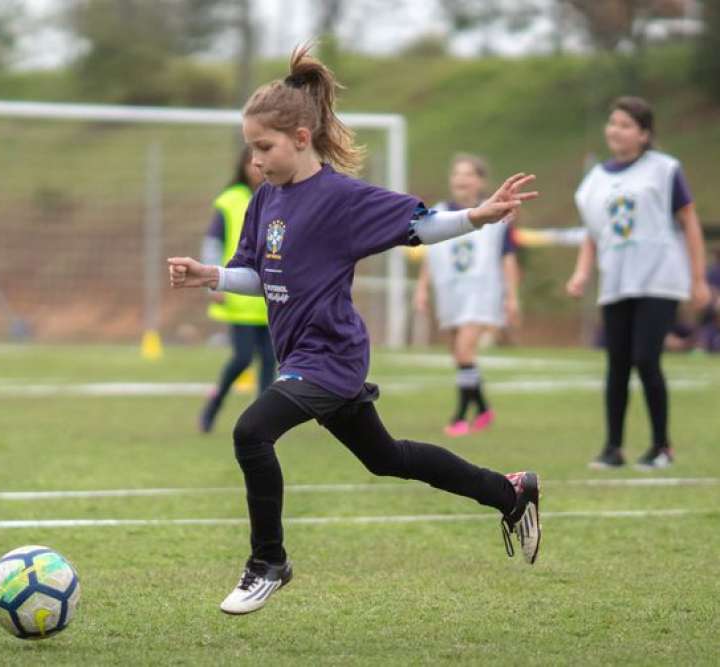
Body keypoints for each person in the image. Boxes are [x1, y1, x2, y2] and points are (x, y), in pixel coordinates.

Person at [167, 45, 542, 616]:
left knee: (251, 432)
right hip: (302, 354)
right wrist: (211, 276)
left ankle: (268, 562)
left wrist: (477, 216)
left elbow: (419, 225)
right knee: (386, 457)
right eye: (250, 147)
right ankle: (508, 492)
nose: (256, 159)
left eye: (263, 146)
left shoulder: (342, 198)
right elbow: (256, 274)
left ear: (299, 136)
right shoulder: (265, 199)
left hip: (330, 355)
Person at [567, 96, 710, 470]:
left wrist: (698, 279)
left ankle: (661, 446)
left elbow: (689, 222)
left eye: (626, 125)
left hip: (660, 278)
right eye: (613, 122)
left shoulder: (664, 170)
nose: (616, 130)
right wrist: (582, 272)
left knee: (646, 359)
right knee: (617, 364)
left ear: (644, 134)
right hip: (617, 280)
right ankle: (613, 448)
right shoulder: (595, 180)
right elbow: (593, 234)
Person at [414, 154, 520, 437]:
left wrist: (512, 297)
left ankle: (459, 417)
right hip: (450, 293)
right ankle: (484, 408)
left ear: (481, 181)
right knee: (460, 356)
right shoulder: (438, 213)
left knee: (464, 351)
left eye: (468, 174)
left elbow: (507, 258)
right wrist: (422, 288)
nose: (461, 179)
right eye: (457, 174)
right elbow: (430, 255)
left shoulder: (496, 214)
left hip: (481, 293)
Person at [199, 147, 275, 433]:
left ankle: (263, 423)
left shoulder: (281, 197)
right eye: (251, 162)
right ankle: (213, 405)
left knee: (269, 363)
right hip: (238, 297)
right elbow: (213, 244)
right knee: (243, 358)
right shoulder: (230, 201)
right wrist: (212, 280)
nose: (257, 167)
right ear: (243, 166)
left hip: (270, 300)